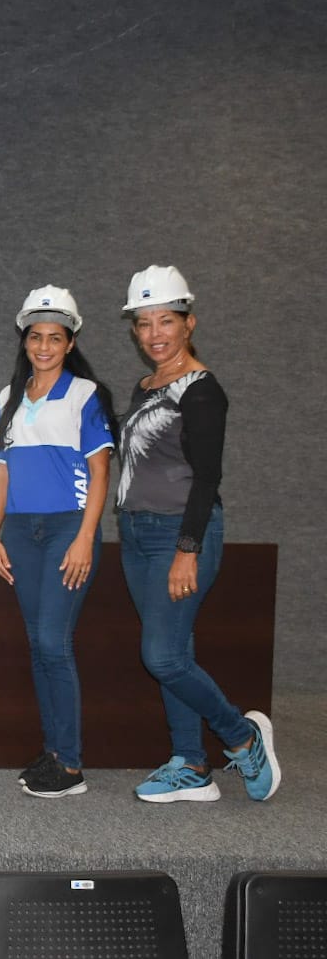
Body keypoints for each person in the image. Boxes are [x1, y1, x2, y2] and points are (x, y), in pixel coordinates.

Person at [116, 265, 279, 803]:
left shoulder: (202, 390)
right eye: (143, 323)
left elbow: (207, 476)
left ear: (190, 323)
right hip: (138, 534)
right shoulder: (145, 386)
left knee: (160, 656)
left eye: (166, 320)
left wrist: (187, 550)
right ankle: (189, 763)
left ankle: (241, 736)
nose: (154, 333)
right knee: (176, 651)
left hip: (179, 535)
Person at [0, 285, 114, 799]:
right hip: (20, 530)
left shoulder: (86, 394)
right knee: (39, 645)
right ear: (24, 341)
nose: (43, 347)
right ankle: (54, 751)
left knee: (54, 644)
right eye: (35, 337)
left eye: (54, 338)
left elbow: (100, 471)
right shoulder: (8, 397)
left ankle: (71, 765)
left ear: (70, 341)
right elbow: (0, 473)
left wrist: (85, 537)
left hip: (66, 529)